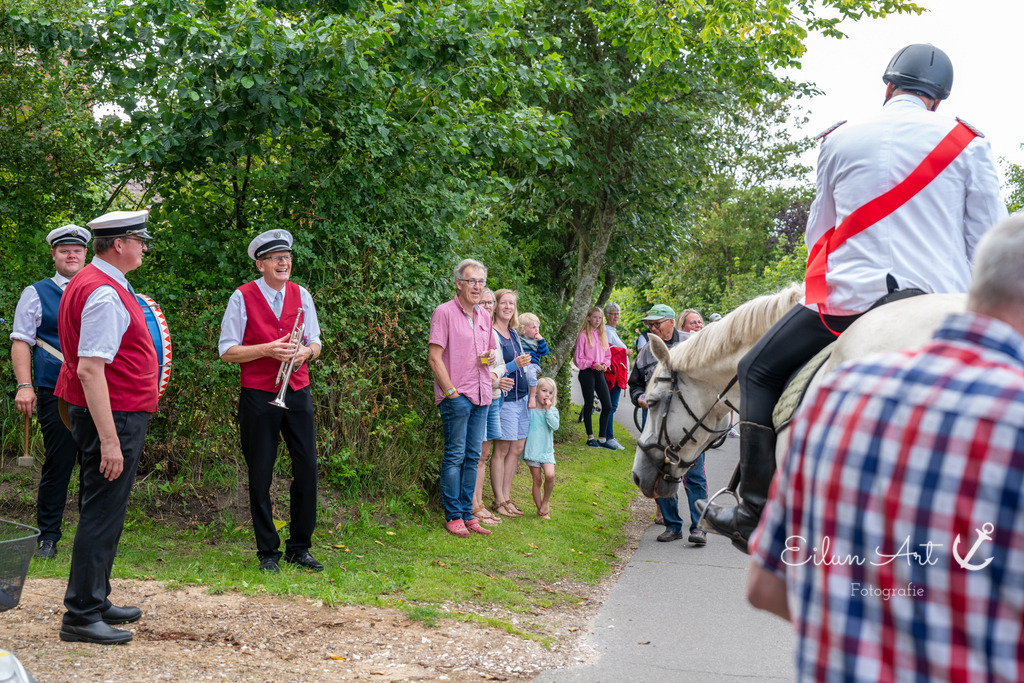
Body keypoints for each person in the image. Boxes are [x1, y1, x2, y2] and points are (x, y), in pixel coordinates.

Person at [700, 43, 1008, 550]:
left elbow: (816, 233)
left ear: (888, 88)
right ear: (938, 99)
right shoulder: (968, 142)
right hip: (942, 305)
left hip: (847, 306)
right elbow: (989, 242)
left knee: (756, 369)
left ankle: (754, 511)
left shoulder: (840, 141)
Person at [747, 214, 1024, 680]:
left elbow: (766, 588)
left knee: (757, 372)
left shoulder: (840, 391)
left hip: (856, 299)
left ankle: (747, 496)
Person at [54, 210, 157, 645]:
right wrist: (111, 440)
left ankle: (95, 599)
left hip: (109, 411)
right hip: (112, 415)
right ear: (119, 244)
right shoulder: (103, 293)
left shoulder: (98, 281)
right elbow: (92, 369)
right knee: (101, 511)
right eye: (140, 240)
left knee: (102, 508)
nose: (144, 247)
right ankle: (80, 615)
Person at [219, 230, 324, 571]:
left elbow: (316, 341)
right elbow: (227, 351)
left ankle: (299, 546)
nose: (284, 262)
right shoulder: (242, 296)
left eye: (287, 257)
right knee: (261, 473)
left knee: (307, 469)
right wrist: (266, 350)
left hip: (297, 389)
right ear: (260, 263)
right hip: (258, 394)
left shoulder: (301, 293)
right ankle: (268, 551)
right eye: (276, 258)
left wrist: (306, 351)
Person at [10, 224, 90, 559]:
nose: (71, 255)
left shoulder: (104, 288)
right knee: (59, 463)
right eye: (64, 251)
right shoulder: (37, 292)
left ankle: (91, 540)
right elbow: (21, 341)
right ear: (54, 255)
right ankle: (48, 538)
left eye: (77, 250)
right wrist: (25, 385)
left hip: (99, 389)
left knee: (97, 463)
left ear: (86, 254)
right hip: (54, 388)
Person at [628, 304, 708, 546]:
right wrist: (640, 398)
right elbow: (635, 385)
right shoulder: (646, 352)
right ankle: (673, 526)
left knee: (693, 475)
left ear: (671, 322)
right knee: (658, 472)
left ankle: (699, 527)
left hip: (689, 424)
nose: (651, 328)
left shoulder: (693, 342)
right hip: (656, 422)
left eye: (656, 323)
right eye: (649, 324)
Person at [427, 260, 497, 537]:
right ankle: (453, 514)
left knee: (473, 456)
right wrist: (450, 393)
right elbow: (434, 358)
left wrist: (491, 356)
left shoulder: (485, 316)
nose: (478, 286)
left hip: (482, 394)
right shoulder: (443, 313)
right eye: (472, 281)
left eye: (481, 282)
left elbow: (490, 351)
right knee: (455, 455)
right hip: (457, 395)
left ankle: (468, 514)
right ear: (459, 283)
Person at [489, 289, 532, 518]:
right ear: (495, 306)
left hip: (522, 396)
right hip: (506, 397)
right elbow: (495, 366)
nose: (508, 307)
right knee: (502, 449)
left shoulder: (513, 333)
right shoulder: (492, 333)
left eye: (511, 304)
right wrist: (515, 364)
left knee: (516, 449)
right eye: (504, 303)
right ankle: (498, 500)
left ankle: (507, 497)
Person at [471, 289, 512, 526]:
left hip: (494, 396)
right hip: (481, 396)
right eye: (484, 302)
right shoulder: (478, 327)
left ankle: (479, 503)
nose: (487, 306)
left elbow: (499, 365)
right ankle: (474, 505)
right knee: (476, 454)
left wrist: (497, 375)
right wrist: (496, 375)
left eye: (490, 302)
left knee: (484, 454)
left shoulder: (491, 331)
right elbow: (477, 365)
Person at [574, 306, 614, 449]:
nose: (597, 320)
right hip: (587, 372)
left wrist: (604, 364)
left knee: (607, 405)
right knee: (589, 403)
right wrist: (593, 364)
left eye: (600, 318)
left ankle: (602, 439)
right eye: (595, 317)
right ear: (588, 318)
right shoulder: (583, 336)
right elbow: (578, 360)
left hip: (599, 372)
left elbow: (608, 356)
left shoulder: (602, 335)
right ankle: (590, 437)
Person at [521, 377, 560, 520]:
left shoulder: (553, 411)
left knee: (550, 475)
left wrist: (548, 410)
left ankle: (546, 501)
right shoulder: (530, 410)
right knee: (537, 480)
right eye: (544, 391)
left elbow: (554, 426)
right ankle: (541, 510)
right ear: (536, 392)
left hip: (546, 451)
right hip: (532, 450)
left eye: (550, 392)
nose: (547, 395)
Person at [602, 303, 632, 450]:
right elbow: (607, 350)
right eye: (613, 314)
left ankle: (607, 435)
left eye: (618, 314)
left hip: (618, 374)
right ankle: (608, 437)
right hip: (612, 374)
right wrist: (624, 352)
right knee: (611, 406)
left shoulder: (612, 331)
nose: (616, 317)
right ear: (606, 316)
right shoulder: (607, 331)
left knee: (611, 406)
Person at [516, 312, 548, 408]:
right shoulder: (518, 339)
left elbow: (544, 352)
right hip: (521, 364)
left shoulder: (537, 341)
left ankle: (532, 397)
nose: (537, 330)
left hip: (532, 365)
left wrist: (541, 340)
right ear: (523, 330)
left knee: (531, 375)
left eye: (537, 327)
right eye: (533, 327)